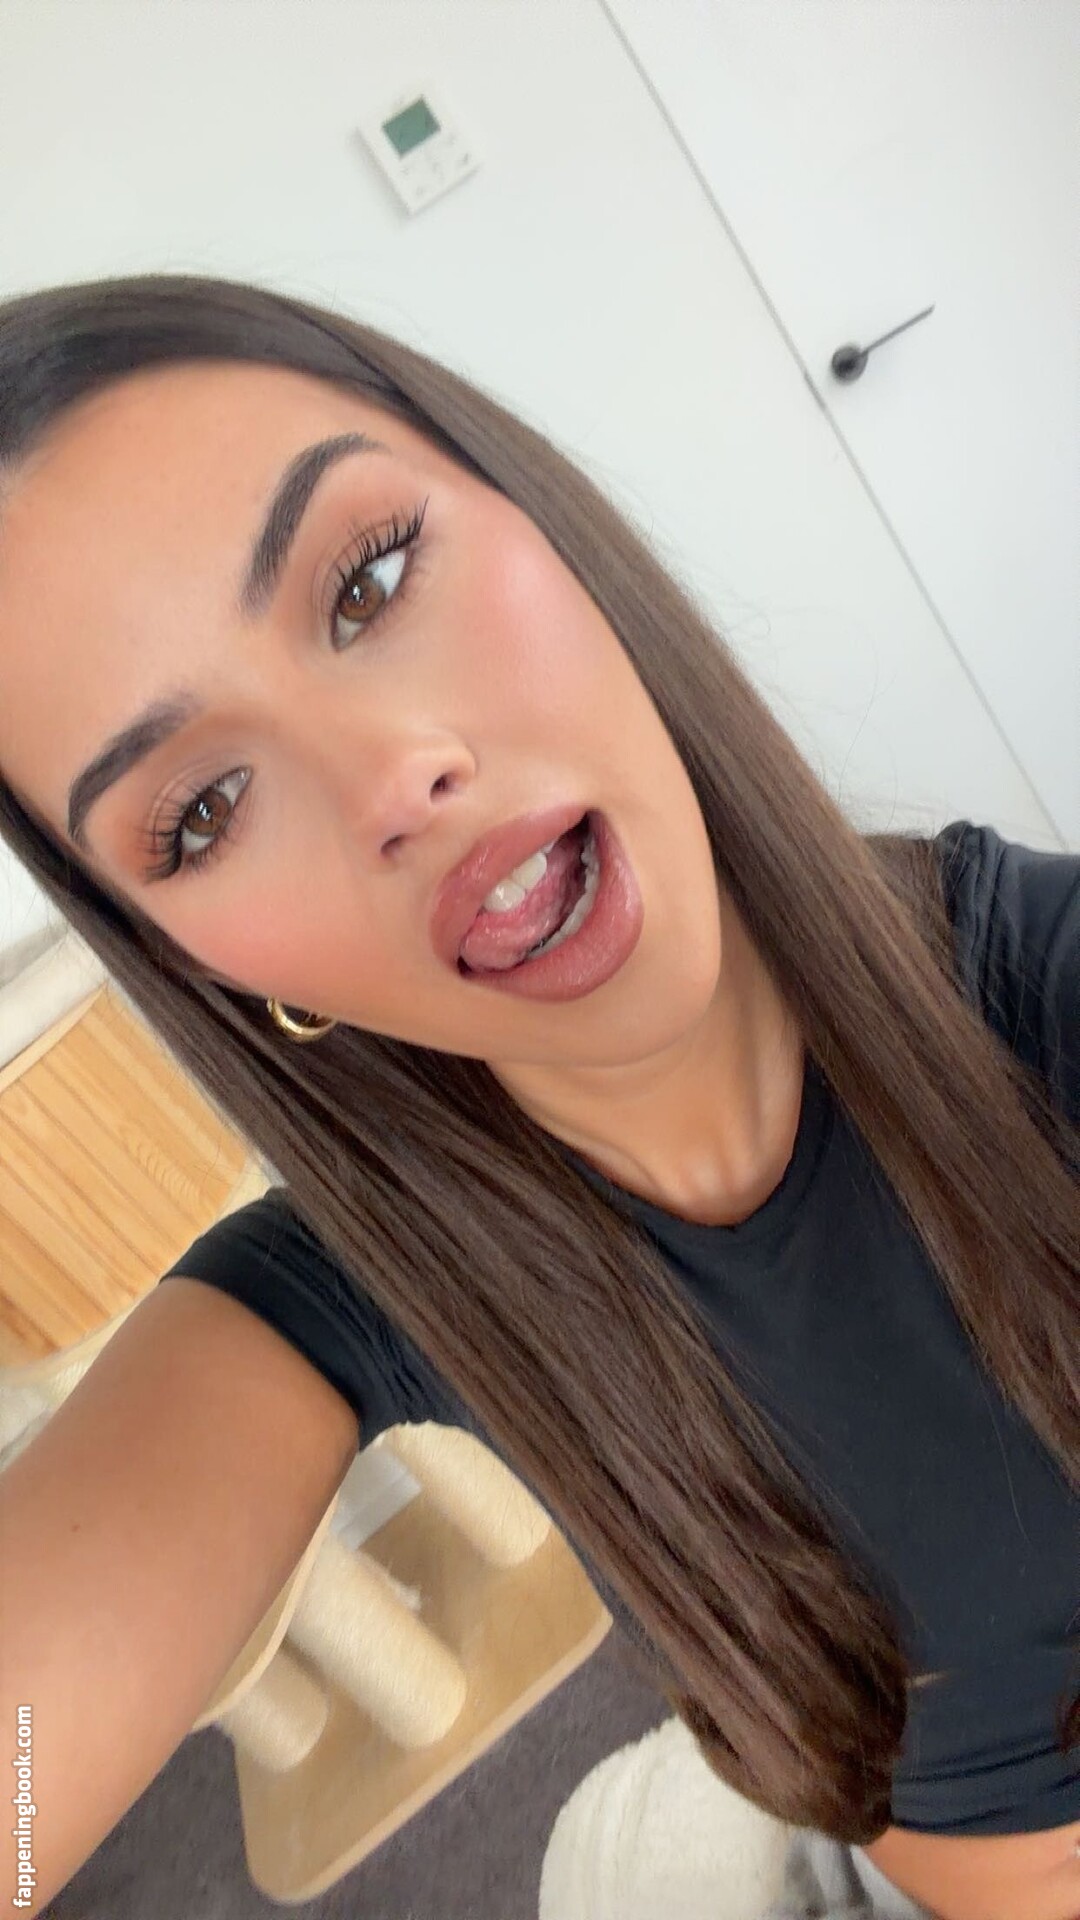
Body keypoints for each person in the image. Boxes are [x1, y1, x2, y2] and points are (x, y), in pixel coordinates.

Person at [0, 272, 1075, 1920]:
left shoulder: (1036, 988)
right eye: (203, 810)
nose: (393, 779)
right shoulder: (347, 1292)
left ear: (542, 521)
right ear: (196, 961)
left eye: (368, 578)